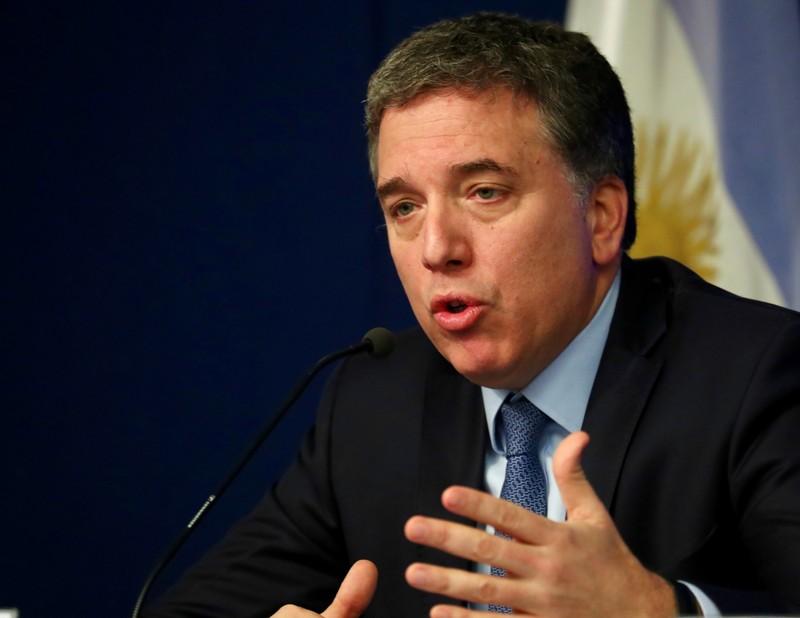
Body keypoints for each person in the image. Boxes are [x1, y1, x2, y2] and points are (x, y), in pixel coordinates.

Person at [147, 12, 800, 617]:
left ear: (602, 218)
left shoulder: (757, 376)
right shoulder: (375, 401)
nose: (437, 249)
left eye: (485, 192)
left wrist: (660, 611)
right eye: (405, 208)